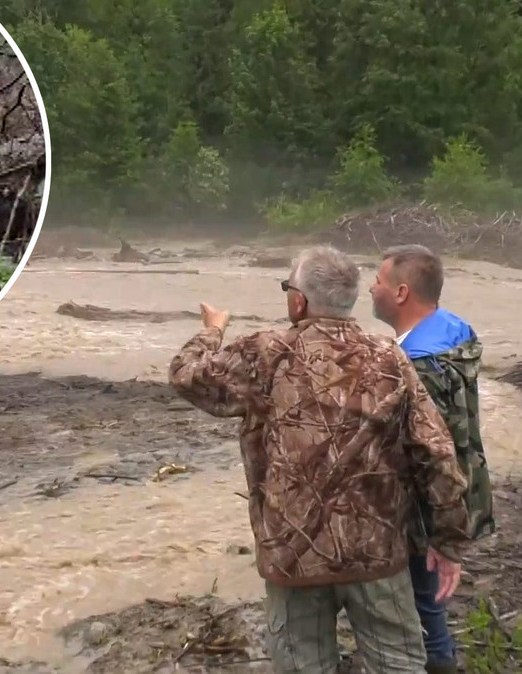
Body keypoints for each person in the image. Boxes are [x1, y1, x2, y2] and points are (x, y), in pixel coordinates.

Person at [169, 245, 470, 674]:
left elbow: (185, 375)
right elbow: (436, 453)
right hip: (377, 555)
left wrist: (212, 330)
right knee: (399, 666)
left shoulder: (265, 353)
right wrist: (448, 542)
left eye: (288, 287)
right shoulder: (390, 357)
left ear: (298, 301)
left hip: (293, 559)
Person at [369, 244, 496, 674]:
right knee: (425, 600)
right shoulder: (454, 331)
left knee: (422, 603)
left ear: (401, 292)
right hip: (465, 486)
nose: (371, 288)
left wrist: (444, 535)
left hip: (427, 507)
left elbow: (427, 453)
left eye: (378, 281)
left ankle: (439, 663)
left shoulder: (417, 362)